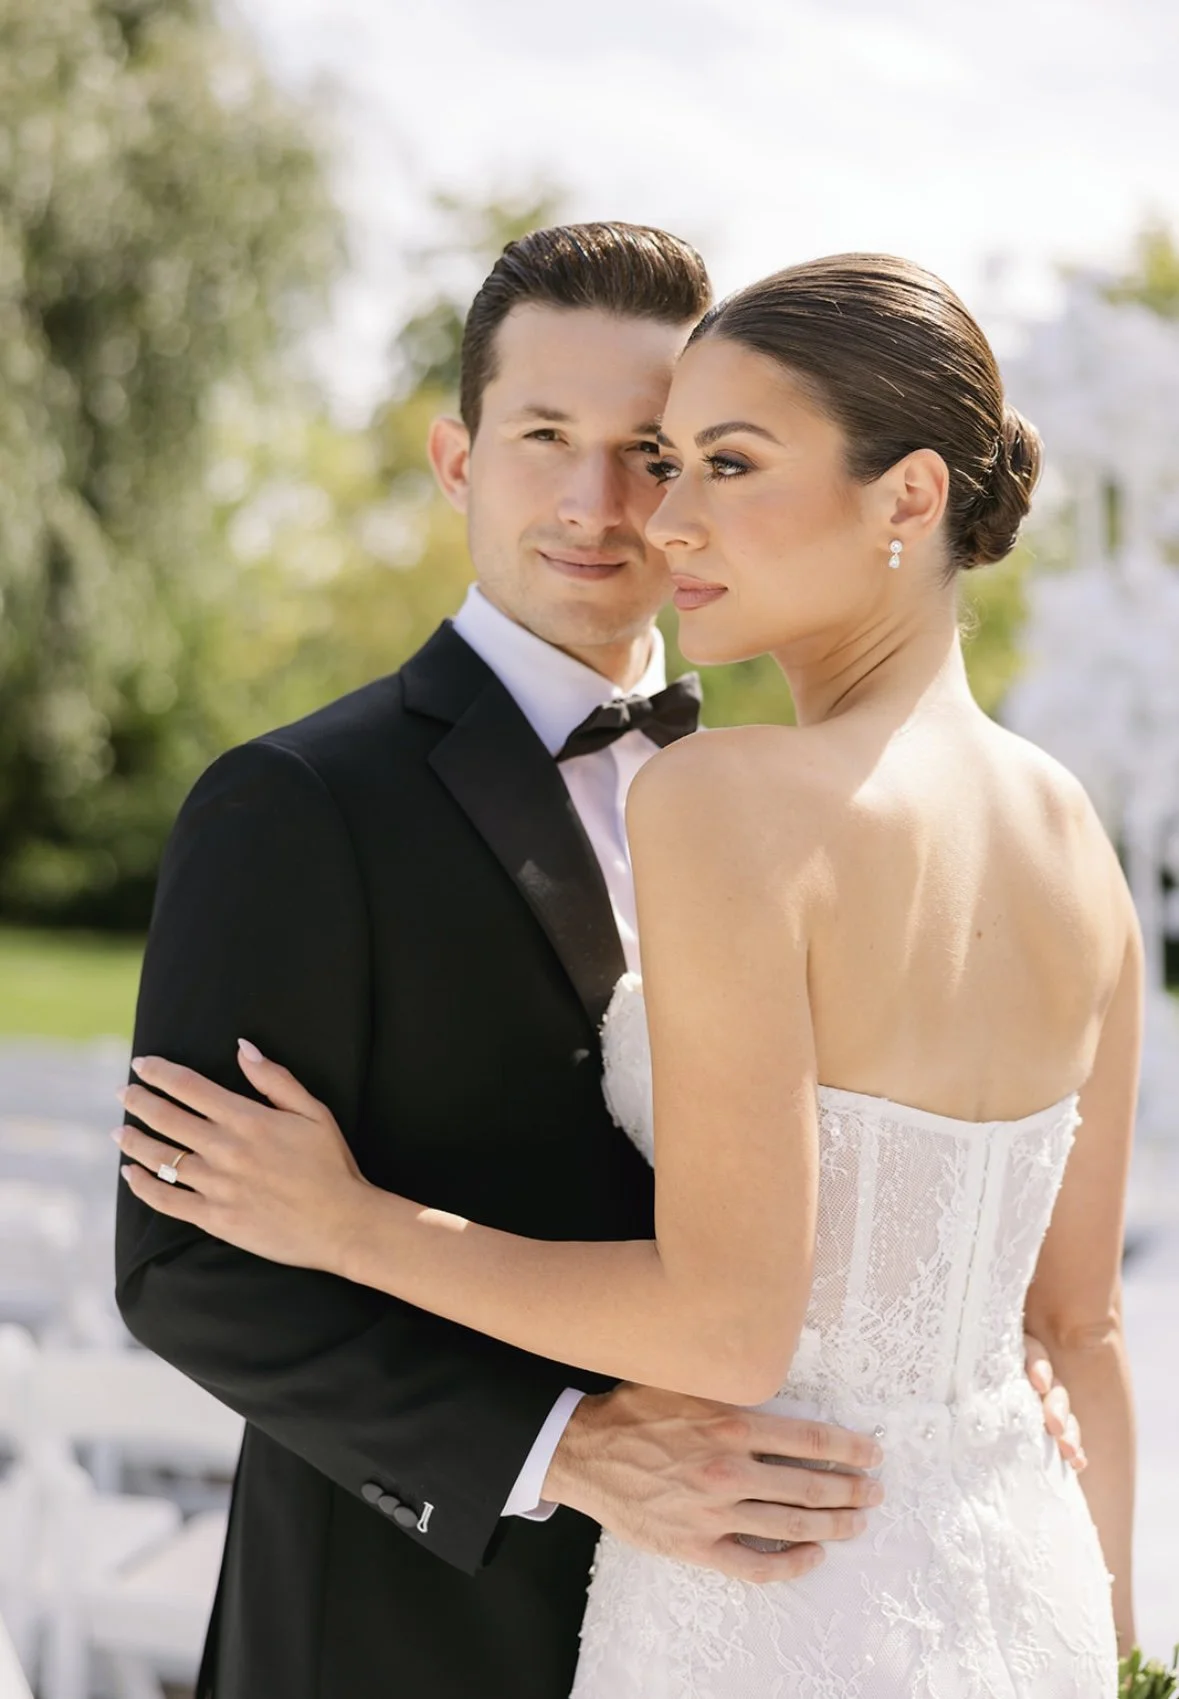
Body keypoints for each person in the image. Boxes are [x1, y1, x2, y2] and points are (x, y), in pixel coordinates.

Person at [115, 234, 1094, 1699]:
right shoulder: (298, 802)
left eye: (654, 450)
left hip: (778, 1615)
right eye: (543, 440)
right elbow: (187, 1267)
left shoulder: (785, 794)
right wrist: (560, 1448)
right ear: (457, 457)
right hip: (412, 1627)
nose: (601, 503)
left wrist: (967, 1356)